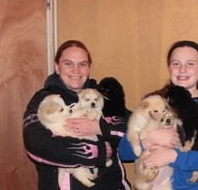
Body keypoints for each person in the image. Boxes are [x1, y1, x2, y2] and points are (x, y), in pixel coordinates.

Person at [118, 40, 198, 190]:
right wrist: (149, 139)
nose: (182, 69)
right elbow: (122, 151)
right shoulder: (154, 103)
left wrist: (174, 156)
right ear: (169, 68)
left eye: (190, 64)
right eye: (176, 64)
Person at [23, 40, 131, 190]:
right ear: (57, 66)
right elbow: (36, 145)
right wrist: (96, 152)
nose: (76, 70)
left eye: (82, 64)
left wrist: (101, 127)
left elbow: (133, 127)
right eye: (68, 63)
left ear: (89, 68)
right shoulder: (44, 100)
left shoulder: (101, 95)